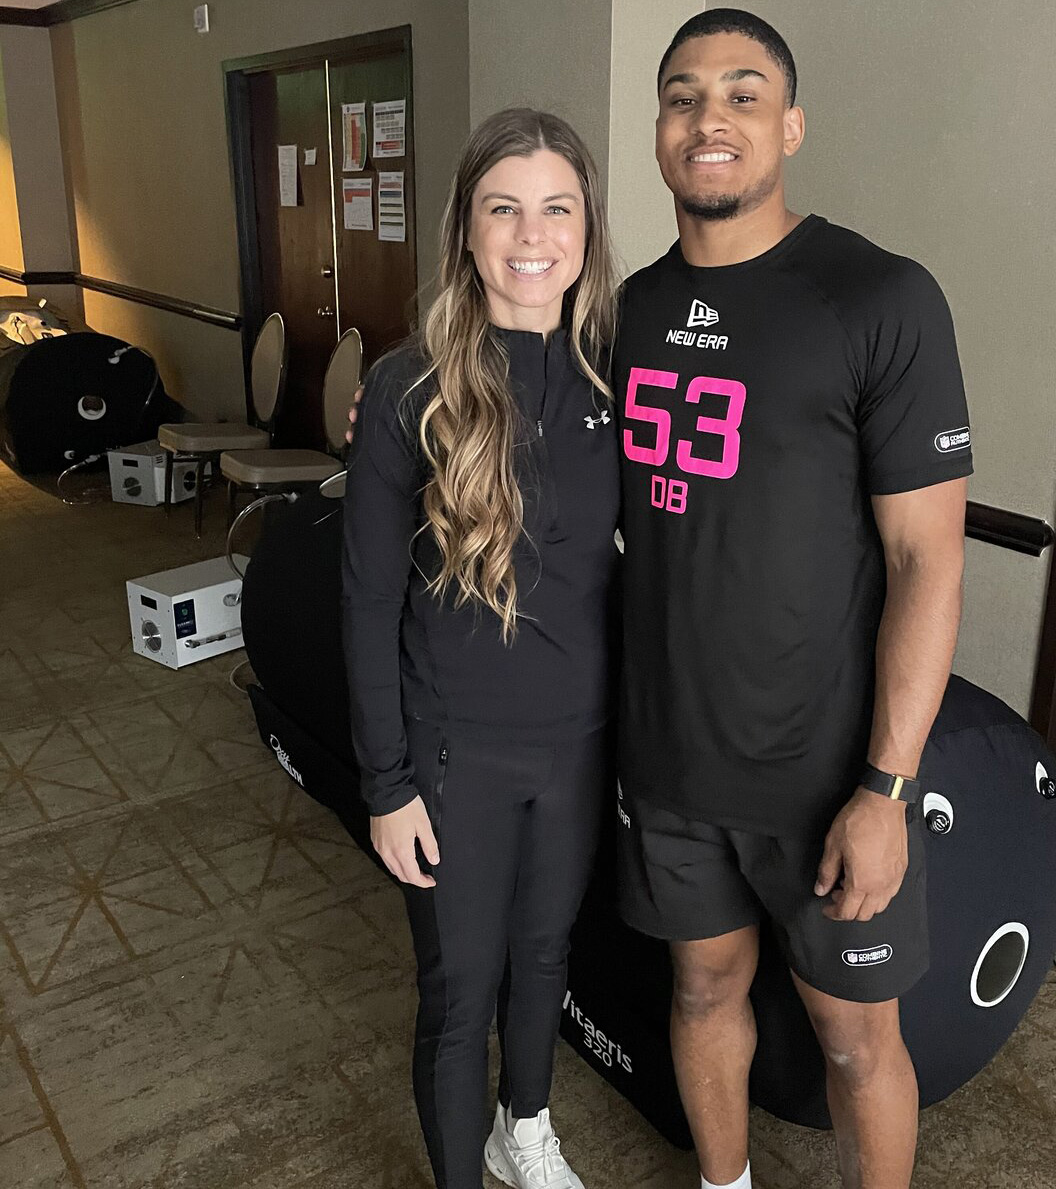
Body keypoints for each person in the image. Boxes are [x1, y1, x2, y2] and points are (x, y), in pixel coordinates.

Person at [612, 10, 972, 1189]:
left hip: (825, 782)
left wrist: (886, 785)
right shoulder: (626, 313)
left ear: (791, 125)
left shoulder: (880, 298)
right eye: (681, 96)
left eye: (742, 93)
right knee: (702, 987)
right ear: (659, 130)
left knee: (858, 1041)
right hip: (670, 762)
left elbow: (928, 561)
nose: (708, 117)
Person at [341, 108, 620, 1189]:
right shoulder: (410, 389)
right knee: (459, 995)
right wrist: (386, 782)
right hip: (453, 756)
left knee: (545, 959)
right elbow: (367, 598)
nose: (532, 234)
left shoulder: (615, 373)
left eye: (558, 207)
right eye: (504, 207)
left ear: (587, 228)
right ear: (466, 227)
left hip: (578, 747)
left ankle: (527, 1128)